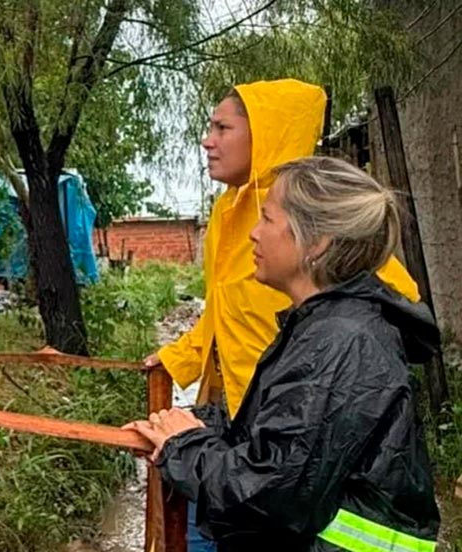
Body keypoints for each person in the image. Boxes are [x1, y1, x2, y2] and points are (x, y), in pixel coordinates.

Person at [141, 79, 420, 551]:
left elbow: (388, 298)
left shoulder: (313, 220)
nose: (208, 140)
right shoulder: (229, 217)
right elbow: (219, 314)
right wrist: (181, 365)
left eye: (223, 127)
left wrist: (346, 378)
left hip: (298, 434)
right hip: (258, 428)